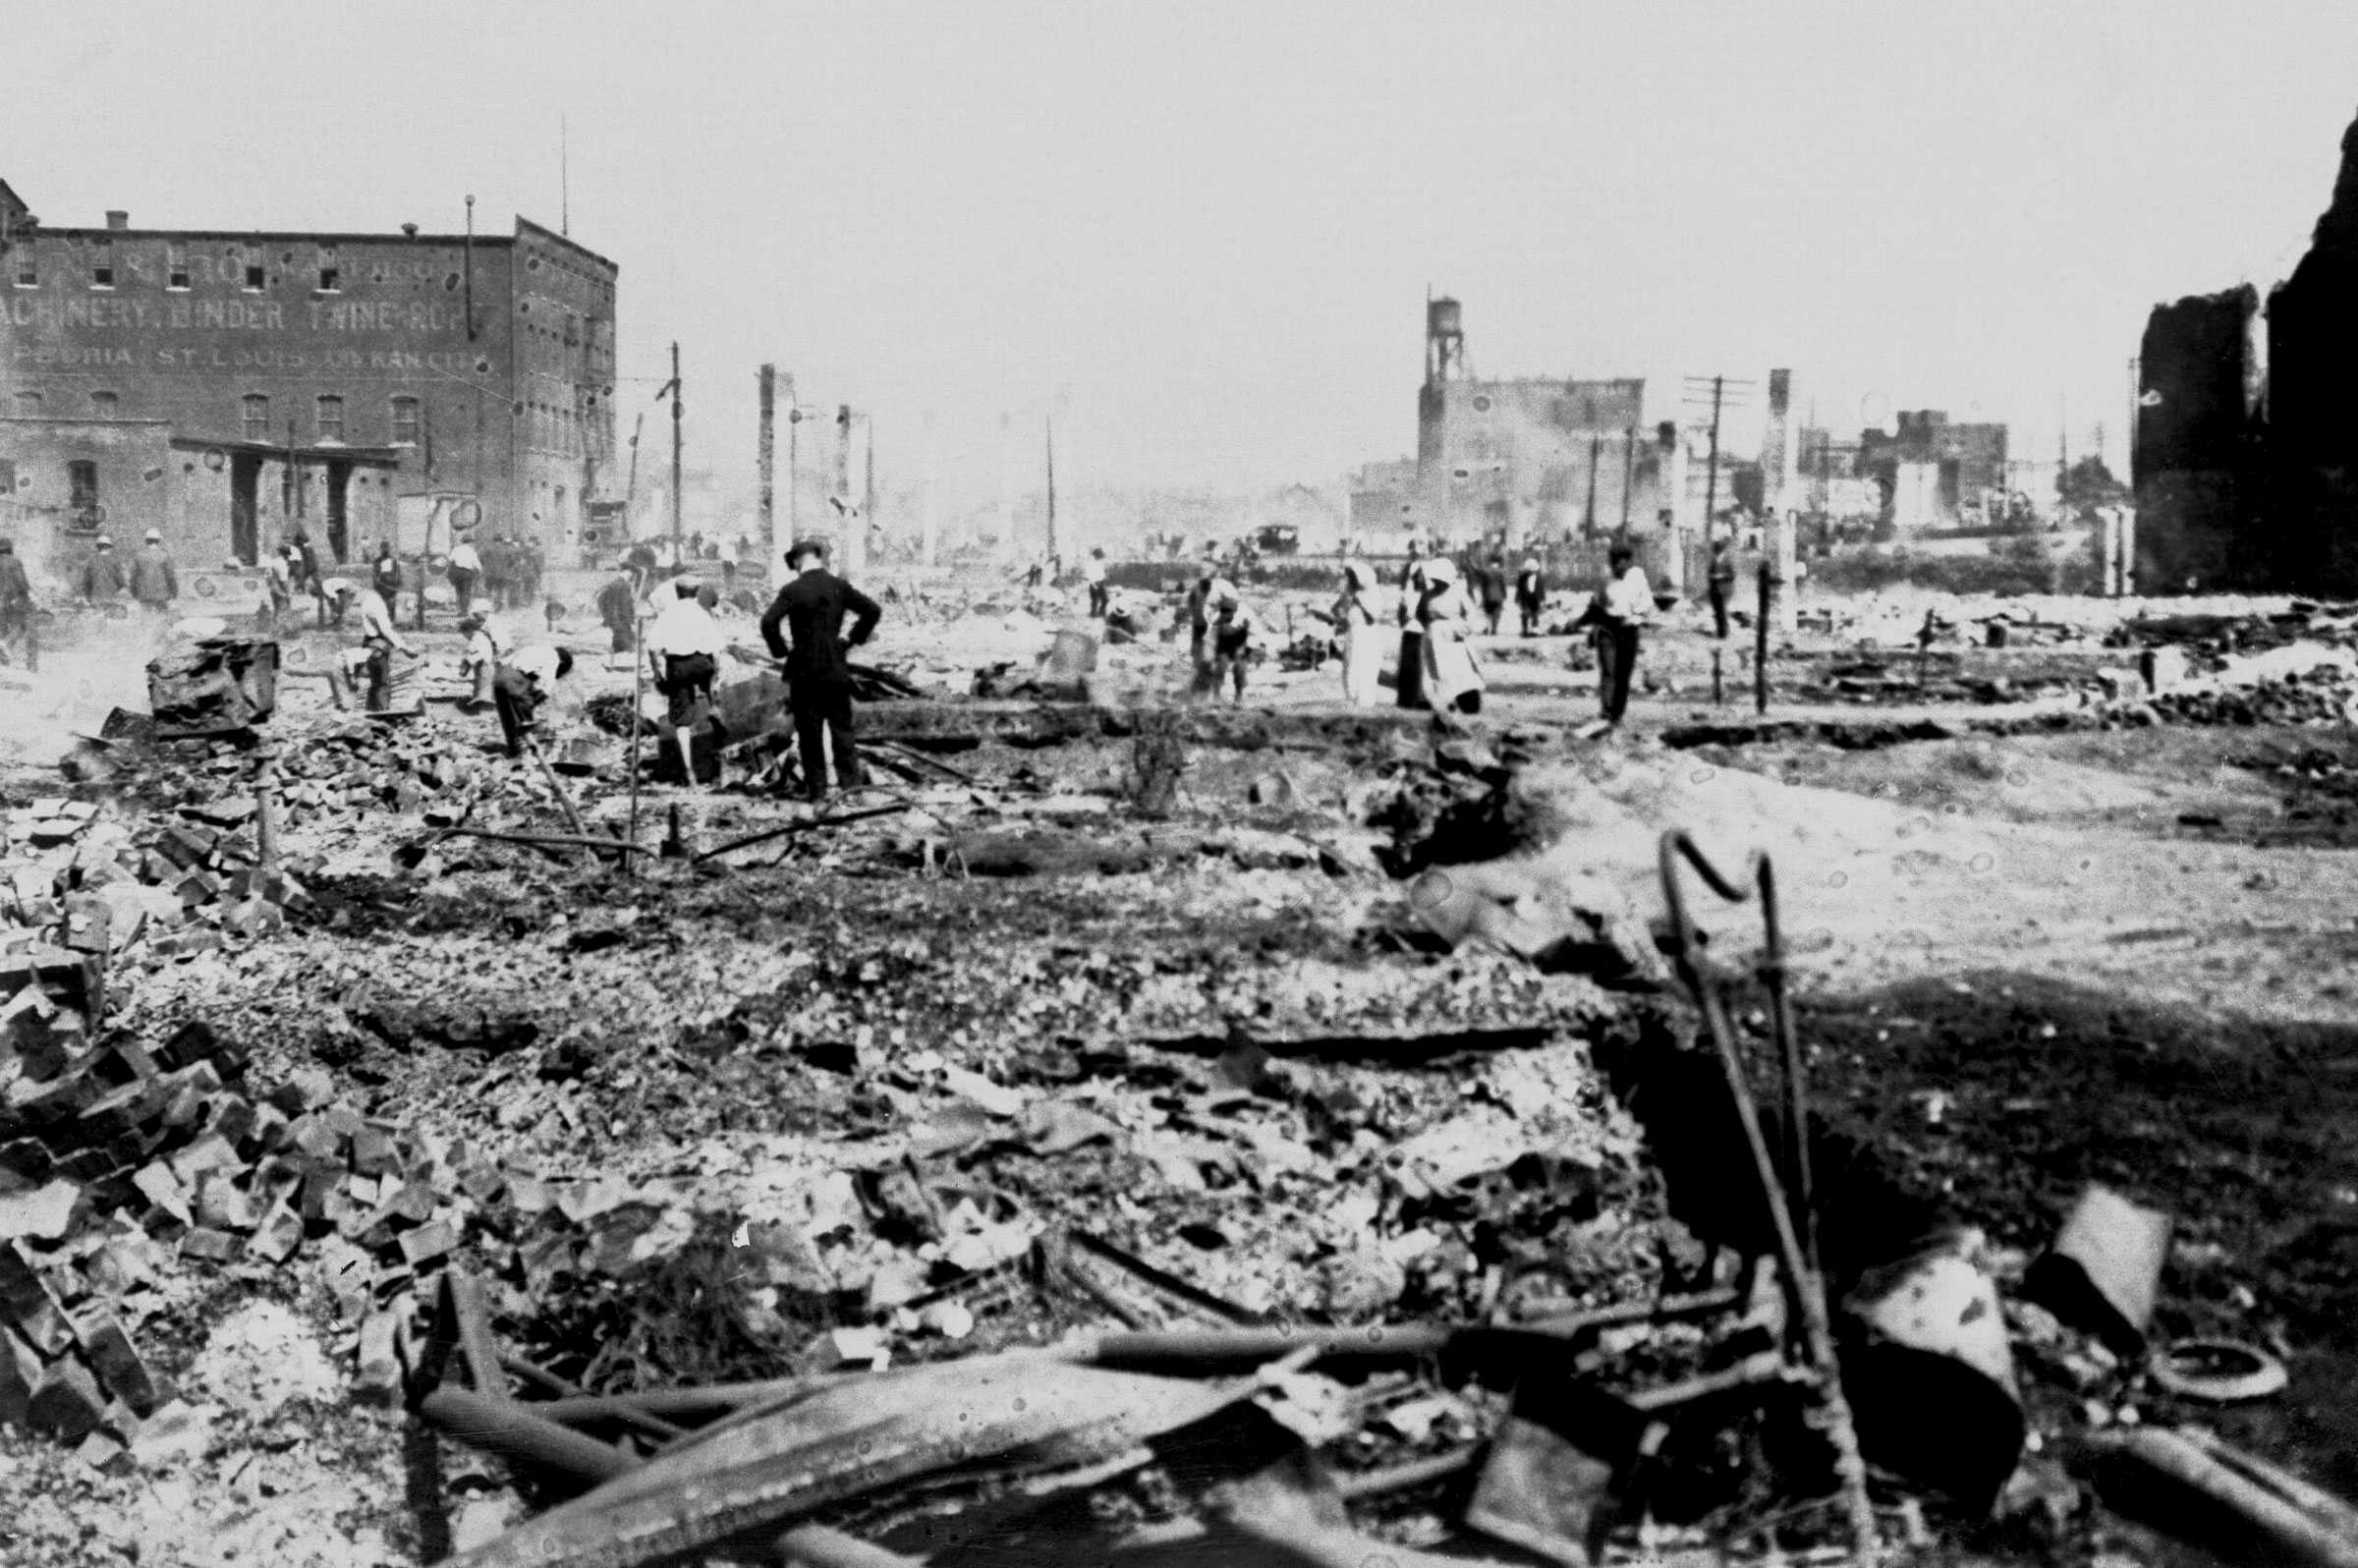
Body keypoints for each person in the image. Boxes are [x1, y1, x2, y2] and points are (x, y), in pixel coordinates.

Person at [759, 538, 881, 804]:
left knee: (809, 734)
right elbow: (872, 610)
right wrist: (851, 639)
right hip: (835, 668)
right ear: (818, 557)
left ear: (797, 560)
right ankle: (851, 790)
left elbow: (769, 622)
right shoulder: (838, 586)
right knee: (842, 731)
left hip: (804, 671)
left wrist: (781, 651)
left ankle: (818, 793)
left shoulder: (792, 589)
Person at [645, 578, 728, 790]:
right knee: (710, 701)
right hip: (703, 663)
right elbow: (718, 650)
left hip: (679, 667)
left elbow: (652, 648)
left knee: (682, 721)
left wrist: (656, 674)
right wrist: (714, 680)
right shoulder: (703, 614)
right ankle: (714, 713)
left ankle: (689, 771)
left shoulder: (667, 615)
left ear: (677, 592)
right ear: (697, 592)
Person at [1418, 557, 1487, 717]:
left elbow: (1472, 614)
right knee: (1437, 671)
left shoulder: (1458, 593)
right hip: (1434, 639)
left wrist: (1463, 629)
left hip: (1454, 638)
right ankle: (1442, 703)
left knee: (1461, 671)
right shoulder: (1428, 595)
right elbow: (1420, 614)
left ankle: (1469, 702)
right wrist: (1430, 629)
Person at [1593, 545, 1653, 728]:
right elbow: (1598, 601)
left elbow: (1647, 603)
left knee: (1623, 673)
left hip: (1628, 630)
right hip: (1608, 629)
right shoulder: (1605, 577)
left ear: (1627, 562)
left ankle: (1617, 714)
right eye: (1612, 563)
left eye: (1618, 563)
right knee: (1608, 671)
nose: (1615, 568)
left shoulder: (1638, 577)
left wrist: (1635, 617)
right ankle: (1607, 710)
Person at [491, 644, 574, 758]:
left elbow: (503, 662)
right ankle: (534, 751)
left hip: (499, 679)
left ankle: (514, 751)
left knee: (507, 718)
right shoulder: (553, 658)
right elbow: (546, 685)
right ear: (562, 663)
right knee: (525, 722)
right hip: (514, 680)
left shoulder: (533, 649)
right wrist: (534, 703)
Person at [354, 575, 418, 712]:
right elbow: (385, 629)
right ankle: (381, 712)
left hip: (371, 641)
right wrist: (404, 647)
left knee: (375, 681)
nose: (394, 594)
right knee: (382, 682)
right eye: (392, 591)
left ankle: (370, 711)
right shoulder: (376, 604)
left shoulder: (371, 599)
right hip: (377, 642)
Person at [1334, 561, 1385, 707]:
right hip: (1352, 633)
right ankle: (1351, 696)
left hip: (1367, 634)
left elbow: (1373, 617)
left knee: (1366, 667)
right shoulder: (1349, 594)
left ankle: (1365, 700)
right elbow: (1338, 609)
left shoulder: (1373, 593)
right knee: (1350, 666)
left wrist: (1360, 602)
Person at [1205, 584, 1258, 704]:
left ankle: (1238, 695)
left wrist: (1248, 646)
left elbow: (1253, 634)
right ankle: (1216, 695)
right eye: (1225, 611)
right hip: (1222, 649)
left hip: (1237, 647)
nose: (1227, 614)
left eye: (1229, 611)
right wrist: (1209, 655)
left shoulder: (1243, 616)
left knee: (1240, 667)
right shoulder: (1216, 620)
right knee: (1220, 668)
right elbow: (1210, 639)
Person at [455, 602, 510, 711]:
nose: (465, 637)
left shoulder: (481, 636)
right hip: (484, 664)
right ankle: (480, 700)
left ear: (469, 630)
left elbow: (480, 653)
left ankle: (486, 705)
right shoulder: (479, 634)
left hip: (488, 663)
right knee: (480, 684)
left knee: (485, 685)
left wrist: (468, 661)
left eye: (465, 634)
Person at [1394, 553, 1429, 710]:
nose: (1418, 579)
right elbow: (1401, 613)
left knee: (1421, 668)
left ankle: (1419, 698)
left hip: (1421, 632)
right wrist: (1405, 616)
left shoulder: (1427, 595)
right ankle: (1406, 698)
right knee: (1408, 667)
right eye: (1416, 576)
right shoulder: (1407, 593)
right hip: (1409, 630)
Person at [0, 539, 31, 664]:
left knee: (2, 630)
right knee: (22, 625)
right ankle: (6, 643)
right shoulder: (13, 562)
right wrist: (29, 593)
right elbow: (22, 583)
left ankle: (4, 662)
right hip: (9, 601)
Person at [595, 566, 640, 655]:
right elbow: (624, 605)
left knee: (619, 642)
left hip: (615, 619)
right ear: (625, 572)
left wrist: (607, 616)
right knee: (629, 645)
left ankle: (615, 658)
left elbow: (601, 599)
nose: (631, 576)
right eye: (631, 573)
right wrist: (630, 620)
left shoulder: (614, 583)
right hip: (621, 620)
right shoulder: (622, 585)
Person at [79, 536, 129, 606]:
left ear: (98, 547)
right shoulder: (115, 561)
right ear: (108, 546)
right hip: (111, 599)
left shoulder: (91, 561)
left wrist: (88, 598)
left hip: (95, 599)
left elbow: (86, 583)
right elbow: (121, 582)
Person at [1706, 537, 1736, 641]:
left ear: (1721, 550)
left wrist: (1720, 576)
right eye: (1715, 550)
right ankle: (1721, 630)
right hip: (1714, 589)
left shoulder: (1727, 561)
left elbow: (1732, 575)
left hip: (1725, 589)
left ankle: (1723, 633)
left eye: (1717, 550)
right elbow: (1709, 574)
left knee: (1722, 610)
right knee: (1717, 610)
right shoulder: (1713, 561)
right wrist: (1711, 579)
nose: (1716, 552)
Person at [447, 533, 482, 613]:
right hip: (467, 573)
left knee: (458, 591)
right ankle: (464, 610)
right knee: (466, 591)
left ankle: (460, 609)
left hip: (457, 572)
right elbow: (478, 565)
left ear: (462, 541)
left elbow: (450, 560)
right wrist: (479, 572)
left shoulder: (456, 549)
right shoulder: (472, 551)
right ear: (470, 542)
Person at [1478, 552, 1509, 637]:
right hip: (1498, 595)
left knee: (1487, 612)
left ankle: (1487, 627)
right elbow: (1503, 584)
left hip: (1487, 595)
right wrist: (1505, 595)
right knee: (1497, 613)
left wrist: (1483, 595)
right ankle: (1494, 629)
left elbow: (1483, 584)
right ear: (1498, 563)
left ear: (1490, 562)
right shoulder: (1501, 572)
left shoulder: (1486, 571)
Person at [369, 541, 402, 622]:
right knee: (381, 606)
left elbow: (397, 573)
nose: (385, 550)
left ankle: (391, 622)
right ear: (381, 549)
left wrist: (397, 585)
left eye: (387, 548)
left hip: (391, 587)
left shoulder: (394, 561)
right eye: (383, 548)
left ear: (389, 549)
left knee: (391, 606)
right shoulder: (377, 561)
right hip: (381, 587)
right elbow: (375, 574)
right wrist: (376, 585)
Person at [1515, 555, 1545, 637]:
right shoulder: (1522, 578)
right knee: (1525, 614)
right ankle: (1524, 630)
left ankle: (1534, 629)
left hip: (1535, 598)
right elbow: (1519, 589)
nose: (1532, 571)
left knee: (1535, 614)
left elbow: (1541, 590)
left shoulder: (1539, 578)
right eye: (1530, 570)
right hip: (1526, 598)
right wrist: (1517, 599)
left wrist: (1542, 600)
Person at [1084, 548, 1109, 618]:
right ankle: (1093, 616)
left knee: (1106, 599)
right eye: (1099, 556)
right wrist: (1094, 585)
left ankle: (1101, 612)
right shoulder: (1090, 564)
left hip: (1101, 583)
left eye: (1101, 556)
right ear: (1095, 556)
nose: (1100, 558)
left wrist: (1103, 579)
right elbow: (1089, 576)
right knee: (1094, 601)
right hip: (1093, 584)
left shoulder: (1101, 563)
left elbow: (1102, 573)